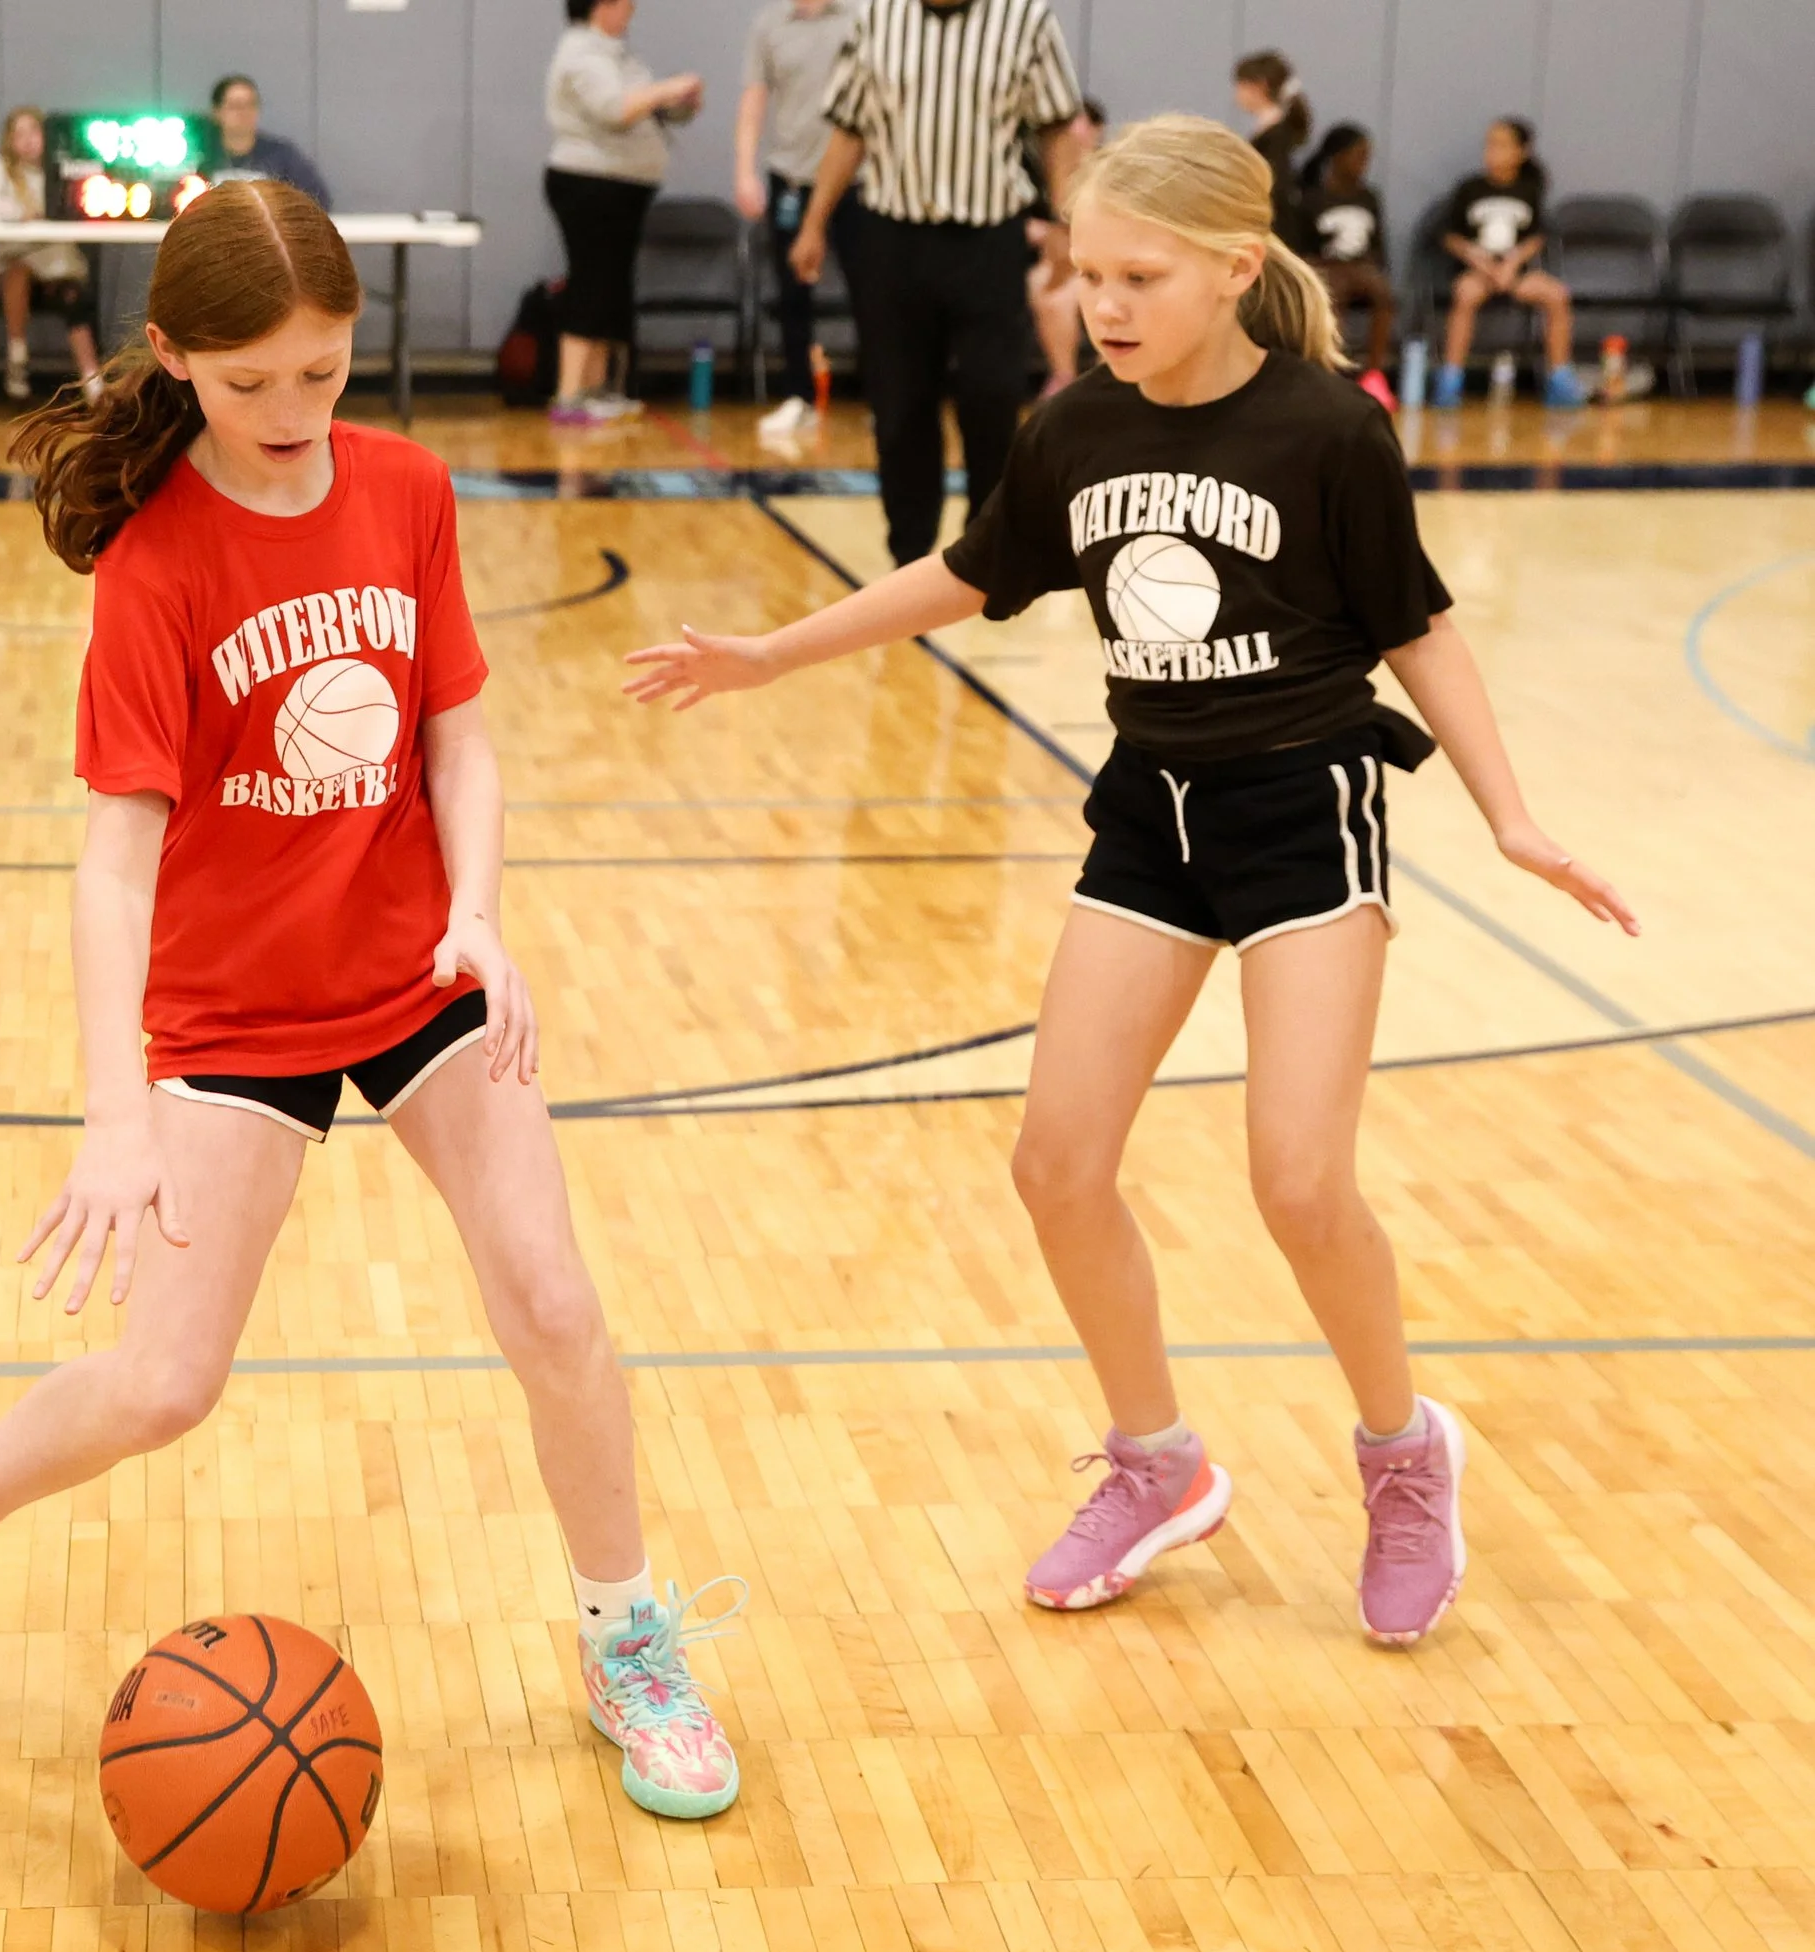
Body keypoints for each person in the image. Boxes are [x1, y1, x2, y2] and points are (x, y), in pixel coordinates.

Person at [0, 178, 746, 1823]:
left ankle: (628, 1643)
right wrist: (113, 1115)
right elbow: (113, 867)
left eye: (324, 372)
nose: (292, 409)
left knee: (555, 1304)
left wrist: (480, 916)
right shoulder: (156, 564)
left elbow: (458, 740)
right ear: (173, 355)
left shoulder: (408, 489)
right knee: (163, 1387)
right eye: (251, 380)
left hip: (419, 967)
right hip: (233, 1010)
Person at [625, 115, 1638, 1649]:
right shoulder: (1075, 427)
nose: (1103, 303)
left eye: (1138, 277)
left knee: (1299, 1181)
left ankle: (1402, 1451)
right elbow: (972, 570)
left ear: (1234, 268)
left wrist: (1511, 816)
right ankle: (1160, 1462)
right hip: (1150, 815)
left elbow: (1418, 626)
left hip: (1303, 814)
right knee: (1055, 1164)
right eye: (1086, 272)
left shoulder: (1328, 431)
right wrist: (773, 652)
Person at [793, 0, 1088, 565]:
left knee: (991, 396)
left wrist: (1066, 221)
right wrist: (813, 224)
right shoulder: (876, 16)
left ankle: (988, 550)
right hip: (892, 236)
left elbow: (1057, 130)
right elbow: (848, 131)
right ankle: (909, 552)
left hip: (988, 237)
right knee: (899, 402)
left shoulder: (1025, 18)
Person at [544, 0, 702, 425]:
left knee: (609, 288)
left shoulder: (616, 53)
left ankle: (596, 390)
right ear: (601, 6)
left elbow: (645, 107)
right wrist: (666, 89)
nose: (632, 7)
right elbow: (615, 110)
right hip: (589, 183)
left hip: (622, 187)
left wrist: (680, 102)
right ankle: (569, 394)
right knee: (590, 283)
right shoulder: (581, 52)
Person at [733, 0, 861, 439]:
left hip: (856, 179)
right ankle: (797, 397)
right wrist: (744, 169)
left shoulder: (859, 18)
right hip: (792, 177)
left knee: (874, 292)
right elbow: (754, 100)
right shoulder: (769, 26)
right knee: (793, 293)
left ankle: (883, 397)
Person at [1434, 117, 1578, 410]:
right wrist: (1478, 260)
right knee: (1465, 294)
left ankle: (1559, 376)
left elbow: (1537, 237)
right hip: (1477, 271)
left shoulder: (1529, 190)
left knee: (1557, 295)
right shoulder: (1470, 188)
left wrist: (1513, 262)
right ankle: (1451, 376)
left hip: (1516, 273)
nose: (1492, 152)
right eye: (1489, 145)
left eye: (1500, 145)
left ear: (1521, 152)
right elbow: (1449, 236)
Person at [0, 106, 104, 404]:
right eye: (19, 134)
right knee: (16, 272)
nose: (28, 140)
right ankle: (17, 359)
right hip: (18, 257)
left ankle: (92, 379)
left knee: (72, 295)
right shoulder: (1, 169)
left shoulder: (62, 169)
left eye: (33, 131)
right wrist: (20, 213)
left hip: (57, 264)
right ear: (9, 141)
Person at [1295, 123, 1395, 411]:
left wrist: (1372, 264)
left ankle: (1374, 375)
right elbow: (1300, 249)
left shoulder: (1368, 197)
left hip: (1361, 265)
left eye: (1367, 157)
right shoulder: (1311, 198)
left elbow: (1378, 245)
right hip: (1325, 265)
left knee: (1383, 294)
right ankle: (1330, 371)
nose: (1364, 163)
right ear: (1337, 157)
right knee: (1332, 294)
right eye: (1359, 156)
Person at [1026, 98, 1104, 398]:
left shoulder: (1112, 174)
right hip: (1064, 263)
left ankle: (1110, 380)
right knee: (1049, 295)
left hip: (1103, 263)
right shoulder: (1039, 174)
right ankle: (1064, 377)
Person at [206, 75, 331, 209]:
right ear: (216, 112)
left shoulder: (281, 156)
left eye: (251, 105)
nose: (244, 112)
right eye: (236, 106)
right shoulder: (202, 155)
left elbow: (318, 199)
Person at [1229, 50, 1310, 235]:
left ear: (1260, 86)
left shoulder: (1276, 137)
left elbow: (1276, 188)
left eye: (1240, 86)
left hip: (1273, 227)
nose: (1236, 96)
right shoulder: (1271, 133)